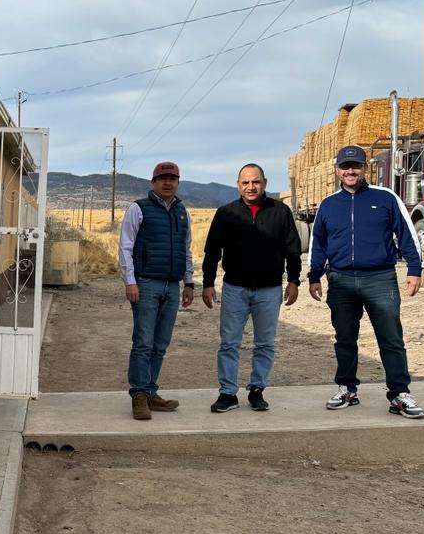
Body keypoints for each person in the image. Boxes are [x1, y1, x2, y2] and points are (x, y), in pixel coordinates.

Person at [307, 145, 424, 418]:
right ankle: (347, 388)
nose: (351, 171)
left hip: (380, 279)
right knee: (345, 338)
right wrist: (314, 276)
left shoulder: (385, 198)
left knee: (391, 338)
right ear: (337, 170)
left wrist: (415, 268)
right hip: (341, 281)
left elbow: (406, 234)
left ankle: (399, 395)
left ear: (364, 169)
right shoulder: (328, 205)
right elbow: (318, 245)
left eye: (356, 166)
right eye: (345, 166)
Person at [201, 164, 301, 413]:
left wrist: (294, 280)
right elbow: (212, 250)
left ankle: (257, 390)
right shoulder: (226, 213)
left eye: (255, 182)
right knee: (229, 343)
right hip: (235, 288)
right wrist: (207, 283)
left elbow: (293, 248)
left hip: (269, 290)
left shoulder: (281, 211)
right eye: (245, 182)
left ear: (264, 183)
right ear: (238, 185)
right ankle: (227, 393)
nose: (251, 187)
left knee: (265, 343)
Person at [118, 161, 195, 420]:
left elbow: (186, 249)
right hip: (146, 283)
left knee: (160, 343)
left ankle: (151, 392)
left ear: (177, 182)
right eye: (162, 178)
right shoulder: (139, 208)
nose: (167, 182)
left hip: (172, 286)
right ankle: (139, 395)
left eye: (172, 178)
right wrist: (130, 281)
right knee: (143, 342)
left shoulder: (182, 211)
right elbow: (125, 247)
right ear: (153, 182)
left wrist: (189, 282)